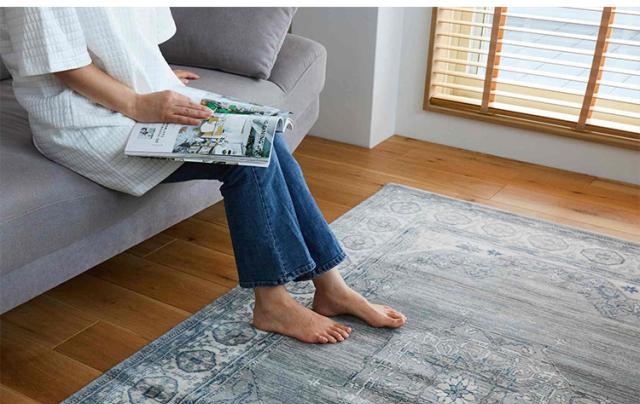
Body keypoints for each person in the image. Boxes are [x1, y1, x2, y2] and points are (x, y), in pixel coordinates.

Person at [0, 7, 406, 344]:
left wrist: (151, 73)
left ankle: (331, 286)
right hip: (85, 120)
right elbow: (63, 63)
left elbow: (123, 31)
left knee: (265, 137)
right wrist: (137, 101)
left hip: (136, 97)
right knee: (246, 157)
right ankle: (272, 304)